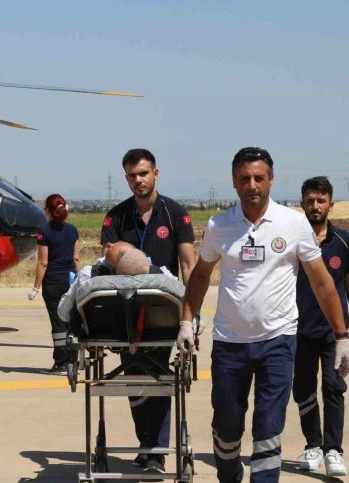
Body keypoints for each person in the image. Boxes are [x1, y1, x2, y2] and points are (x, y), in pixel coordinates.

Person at [179, 147, 349, 483]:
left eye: (259, 178)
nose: (252, 185)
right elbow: (200, 275)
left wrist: (342, 336)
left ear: (271, 179)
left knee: (268, 428)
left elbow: (322, 283)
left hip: (278, 342)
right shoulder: (219, 225)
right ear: (234, 181)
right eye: (244, 178)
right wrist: (187, 321)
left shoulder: (294, 223)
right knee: (227, 428)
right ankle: (230, 472)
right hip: (229, 344)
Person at [100, 148, 197, 474]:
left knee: (158, 376)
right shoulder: (116, 217)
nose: (138, 180)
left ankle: (156, 452)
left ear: (155, 173)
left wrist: (192, 315)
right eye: (132, 175)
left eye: (143, 173)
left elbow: (188, 265)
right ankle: (146, 445)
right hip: (125, 312)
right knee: (133, 377)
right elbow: (109, 257)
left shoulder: (175, 214)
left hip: (163, 309)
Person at [293, 176, 349, 477]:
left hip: (333, 332)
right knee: (304, 390)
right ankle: (313, 445)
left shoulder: (344, 241)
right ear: (302, 204)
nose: (315, 205)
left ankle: (334, 450)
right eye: (310, 200)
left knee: (334, 388)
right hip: (298, 330)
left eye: (320, 200)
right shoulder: (293, 239)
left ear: (330, 204)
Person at [28, 194, 80, 374]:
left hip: (53, 284)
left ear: (48, 211)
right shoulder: (73, 230)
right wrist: (79, 280)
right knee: (71, 322)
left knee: (58, 324)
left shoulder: (45, 233)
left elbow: (43, 262)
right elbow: (76, 258)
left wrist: (35, 287)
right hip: (71, 281)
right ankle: (73, 360)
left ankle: (61, 362)